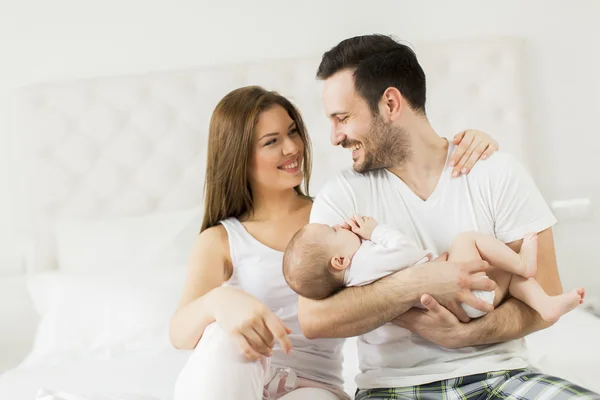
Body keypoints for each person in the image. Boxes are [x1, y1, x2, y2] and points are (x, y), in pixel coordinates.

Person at [296, 34, 600, 400]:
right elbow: (314, 319)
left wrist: (466, 335)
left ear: (390, 103)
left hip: (502, 377)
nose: (334, 137)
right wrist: (419, 281)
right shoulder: (341, 197)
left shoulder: (495, 172)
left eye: (342, 118)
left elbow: (548, 292)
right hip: (394, 389)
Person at [169, 85, 497, 400]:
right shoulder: (222, 239)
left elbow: (410, 216)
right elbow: (180, 334)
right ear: (237, 155)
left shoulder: (335, 215)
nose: (292, 148)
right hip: (239, 377)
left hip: (311, 386)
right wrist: (219, 302)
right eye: (272, 141)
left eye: (293, 131)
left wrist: (468, 145)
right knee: (224, 336)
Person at [283, 214, 585, 321]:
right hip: (459, 300)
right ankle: (523, 262)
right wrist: (375, 231)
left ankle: (544, 304)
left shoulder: (357, 278)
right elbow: (406, 251)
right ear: (339, 261)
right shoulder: (365, 261)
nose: (340, 226)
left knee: (500, 272)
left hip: (461, 306)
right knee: (466, 240)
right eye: (334, 231)